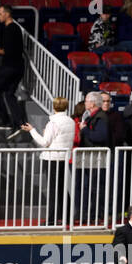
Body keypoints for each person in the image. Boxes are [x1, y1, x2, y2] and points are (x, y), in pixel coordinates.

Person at [22, 96, 74, 225]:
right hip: (63, 157)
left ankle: (51, 219)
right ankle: (67, 216)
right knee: (61, 188)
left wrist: (32, 130)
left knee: (53, 190)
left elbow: (44, 142)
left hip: (52, 158)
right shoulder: (70, 121)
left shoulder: (53, 123)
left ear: (54, 107)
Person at [75, 92, 109, 224]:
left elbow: (99, 137)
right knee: (89, 187)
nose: (85, 103)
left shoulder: (101, 117)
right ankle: (88, 215)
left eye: (87, 101)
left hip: (96, 158)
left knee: (94, 188)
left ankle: (93, 215)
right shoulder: (93, 117)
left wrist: (84, 130)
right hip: (91, 158)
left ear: (93, 103)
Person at [0, 4, 25, 130]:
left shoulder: (10, 29)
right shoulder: (14, 28)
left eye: (0, 14)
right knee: (9, 94)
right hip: (18, 67)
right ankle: (18, 122)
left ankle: (5, 120)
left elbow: (11, 51)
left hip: (10, 67)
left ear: (7, 14)